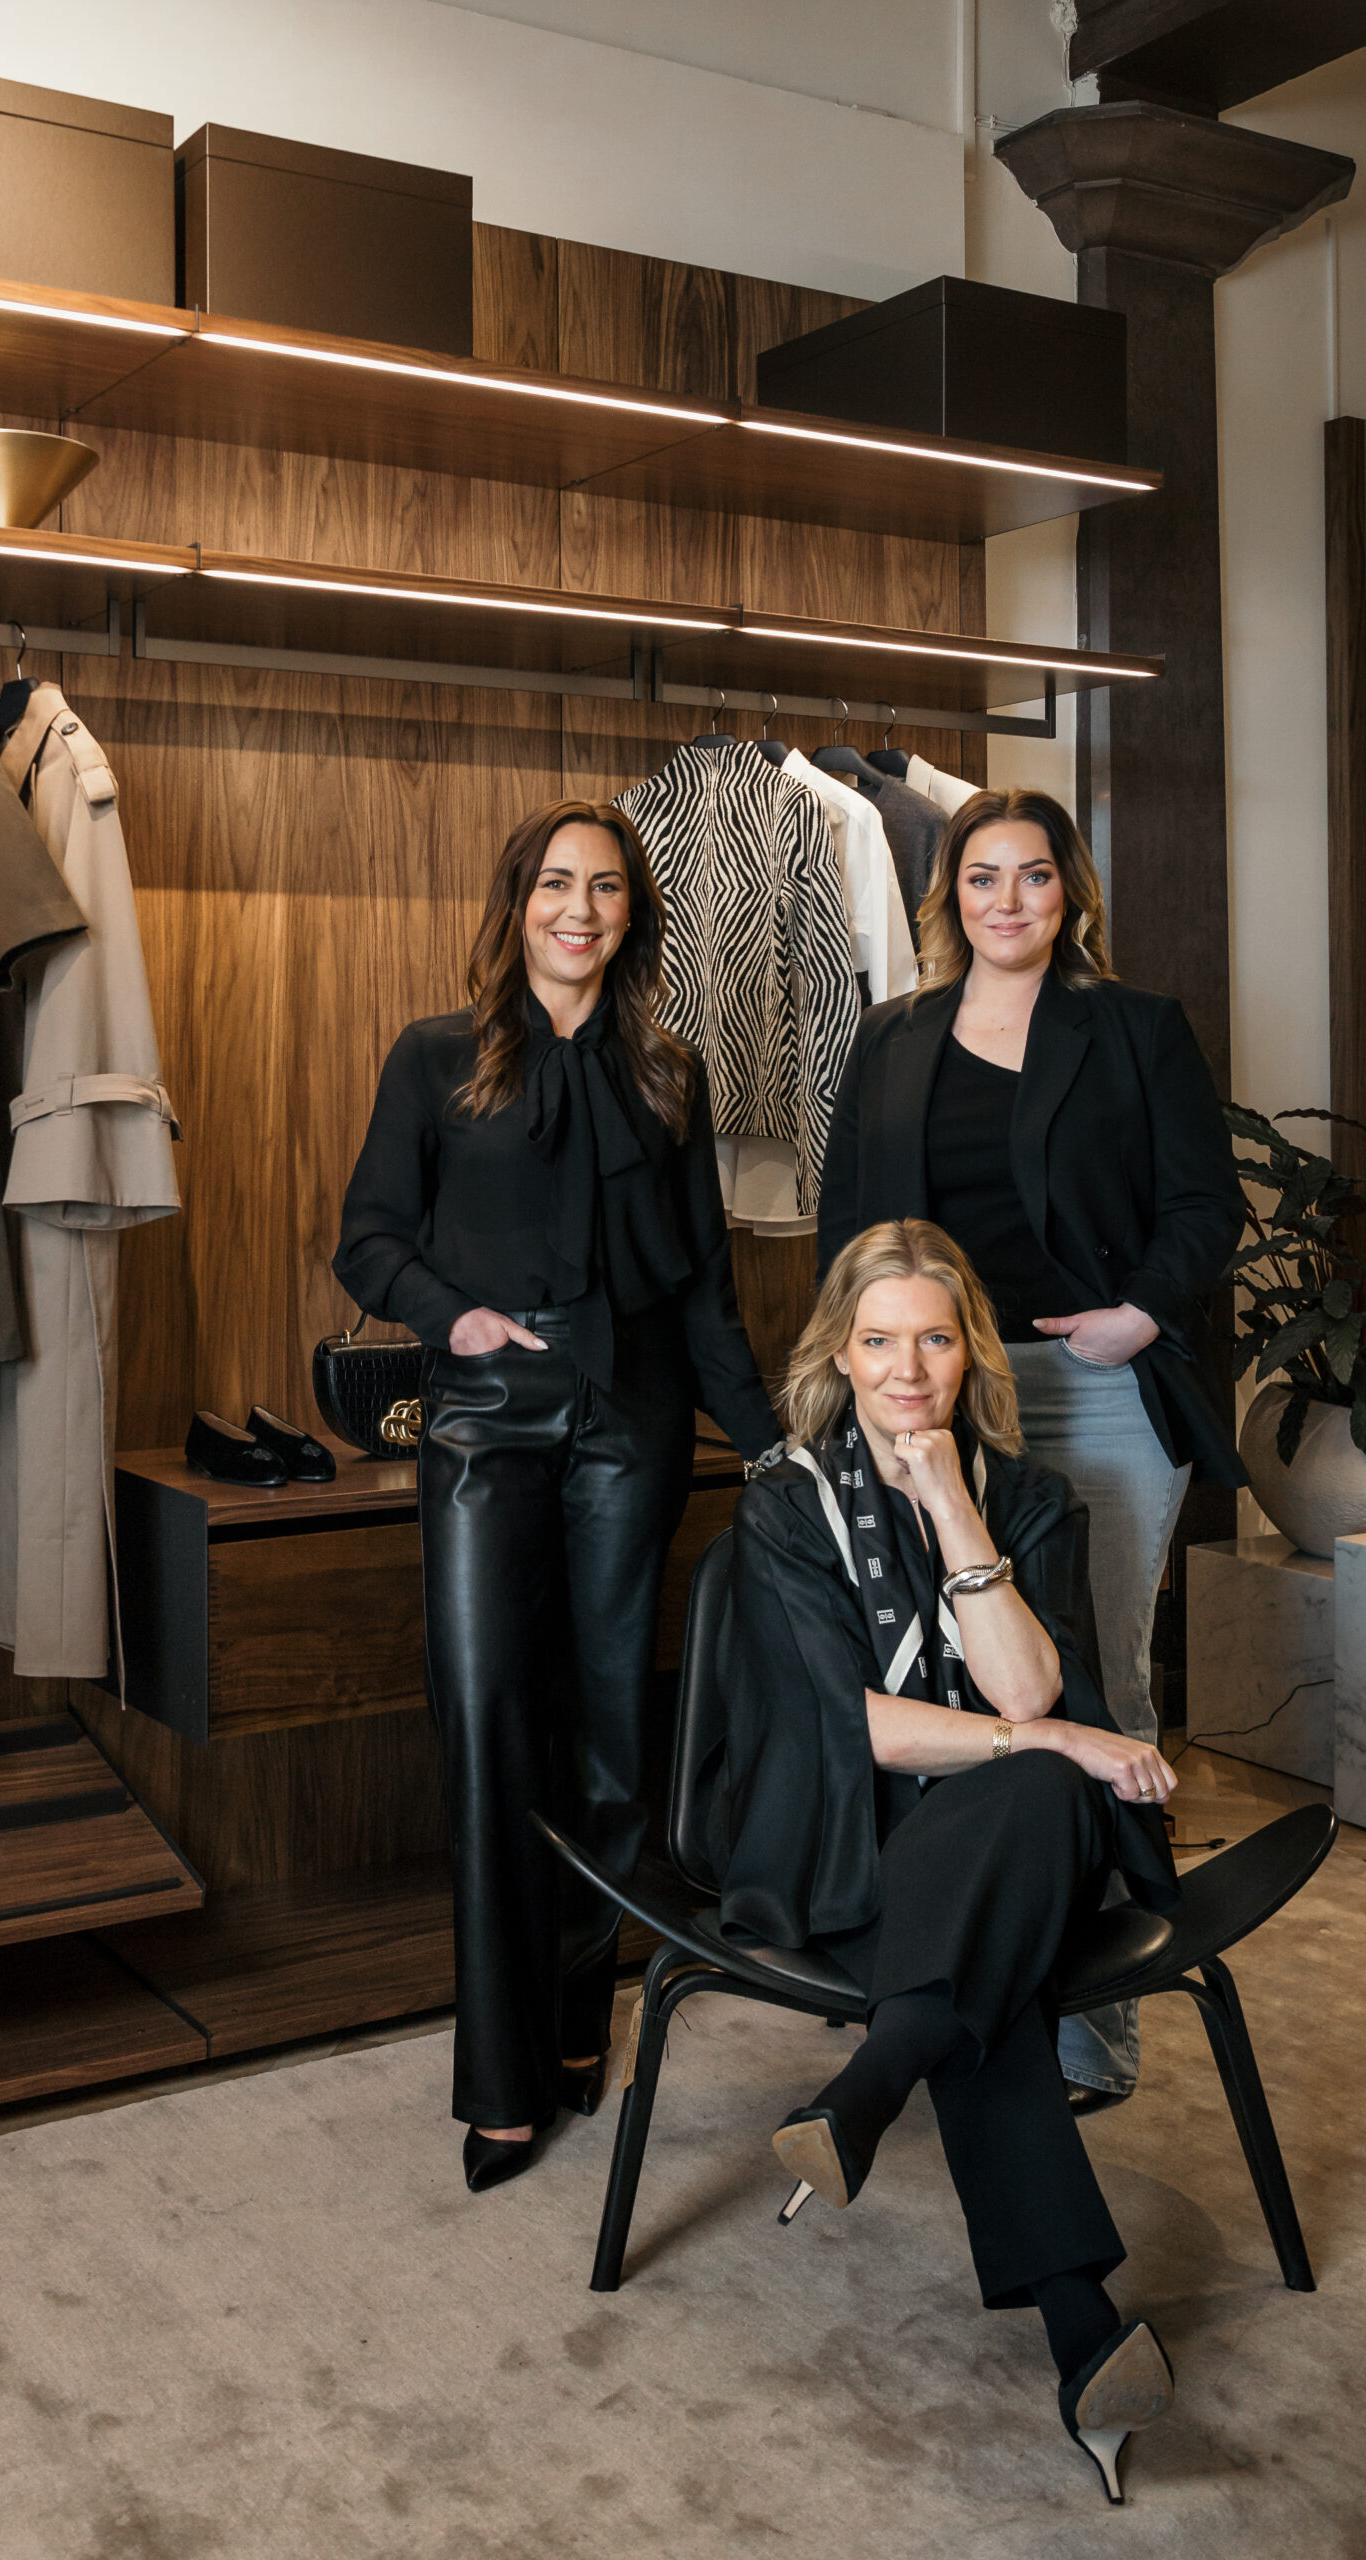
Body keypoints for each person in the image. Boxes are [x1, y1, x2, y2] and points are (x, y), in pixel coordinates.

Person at [335, 798, 782, 2193]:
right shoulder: (436, 1058)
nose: (579, 909)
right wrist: (454, 1320)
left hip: (632, 1424)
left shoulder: (671, 1074)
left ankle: (581, 2019)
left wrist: (775, 1445)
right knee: (486, 1726)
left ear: (632, 914)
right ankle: (501, 2076)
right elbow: (367, 1240)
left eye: (605, 887)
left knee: (607, 1736)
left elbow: (704, 1291)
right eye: (555, 884)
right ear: (517, 902)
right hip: (486, 1420)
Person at [708, 1218, 1182, 2503]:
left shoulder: (1027, 1498)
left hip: (995, 1841)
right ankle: (1083, 2334)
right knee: (1017, 1869)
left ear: (973, 1353)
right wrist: (1056, 1736)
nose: (907, 1370)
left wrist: (954, 1508)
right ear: (839, 1355)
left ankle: (873, 2080)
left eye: (934, 1340)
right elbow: (849, 1729)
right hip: (849, 1836)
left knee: (1036, 1796)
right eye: (879, 1341)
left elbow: (1025, 1681)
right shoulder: (785, 1505)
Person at [816, 787, 1243, 2106]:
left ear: (1071, 892)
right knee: (953, 1696)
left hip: (1090, 1383)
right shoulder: (891, 1036)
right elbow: (848, 1230)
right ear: (949, 894)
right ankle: (944, 1984)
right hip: (933, 1394)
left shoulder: (1135, 1027)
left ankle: (1094, 2035)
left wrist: (1140, 1314)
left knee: (1094, 1688)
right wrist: (862, 1389)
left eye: (1035, 875)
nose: (1009, 900)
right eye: (983, 876)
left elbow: (1204, 1204)